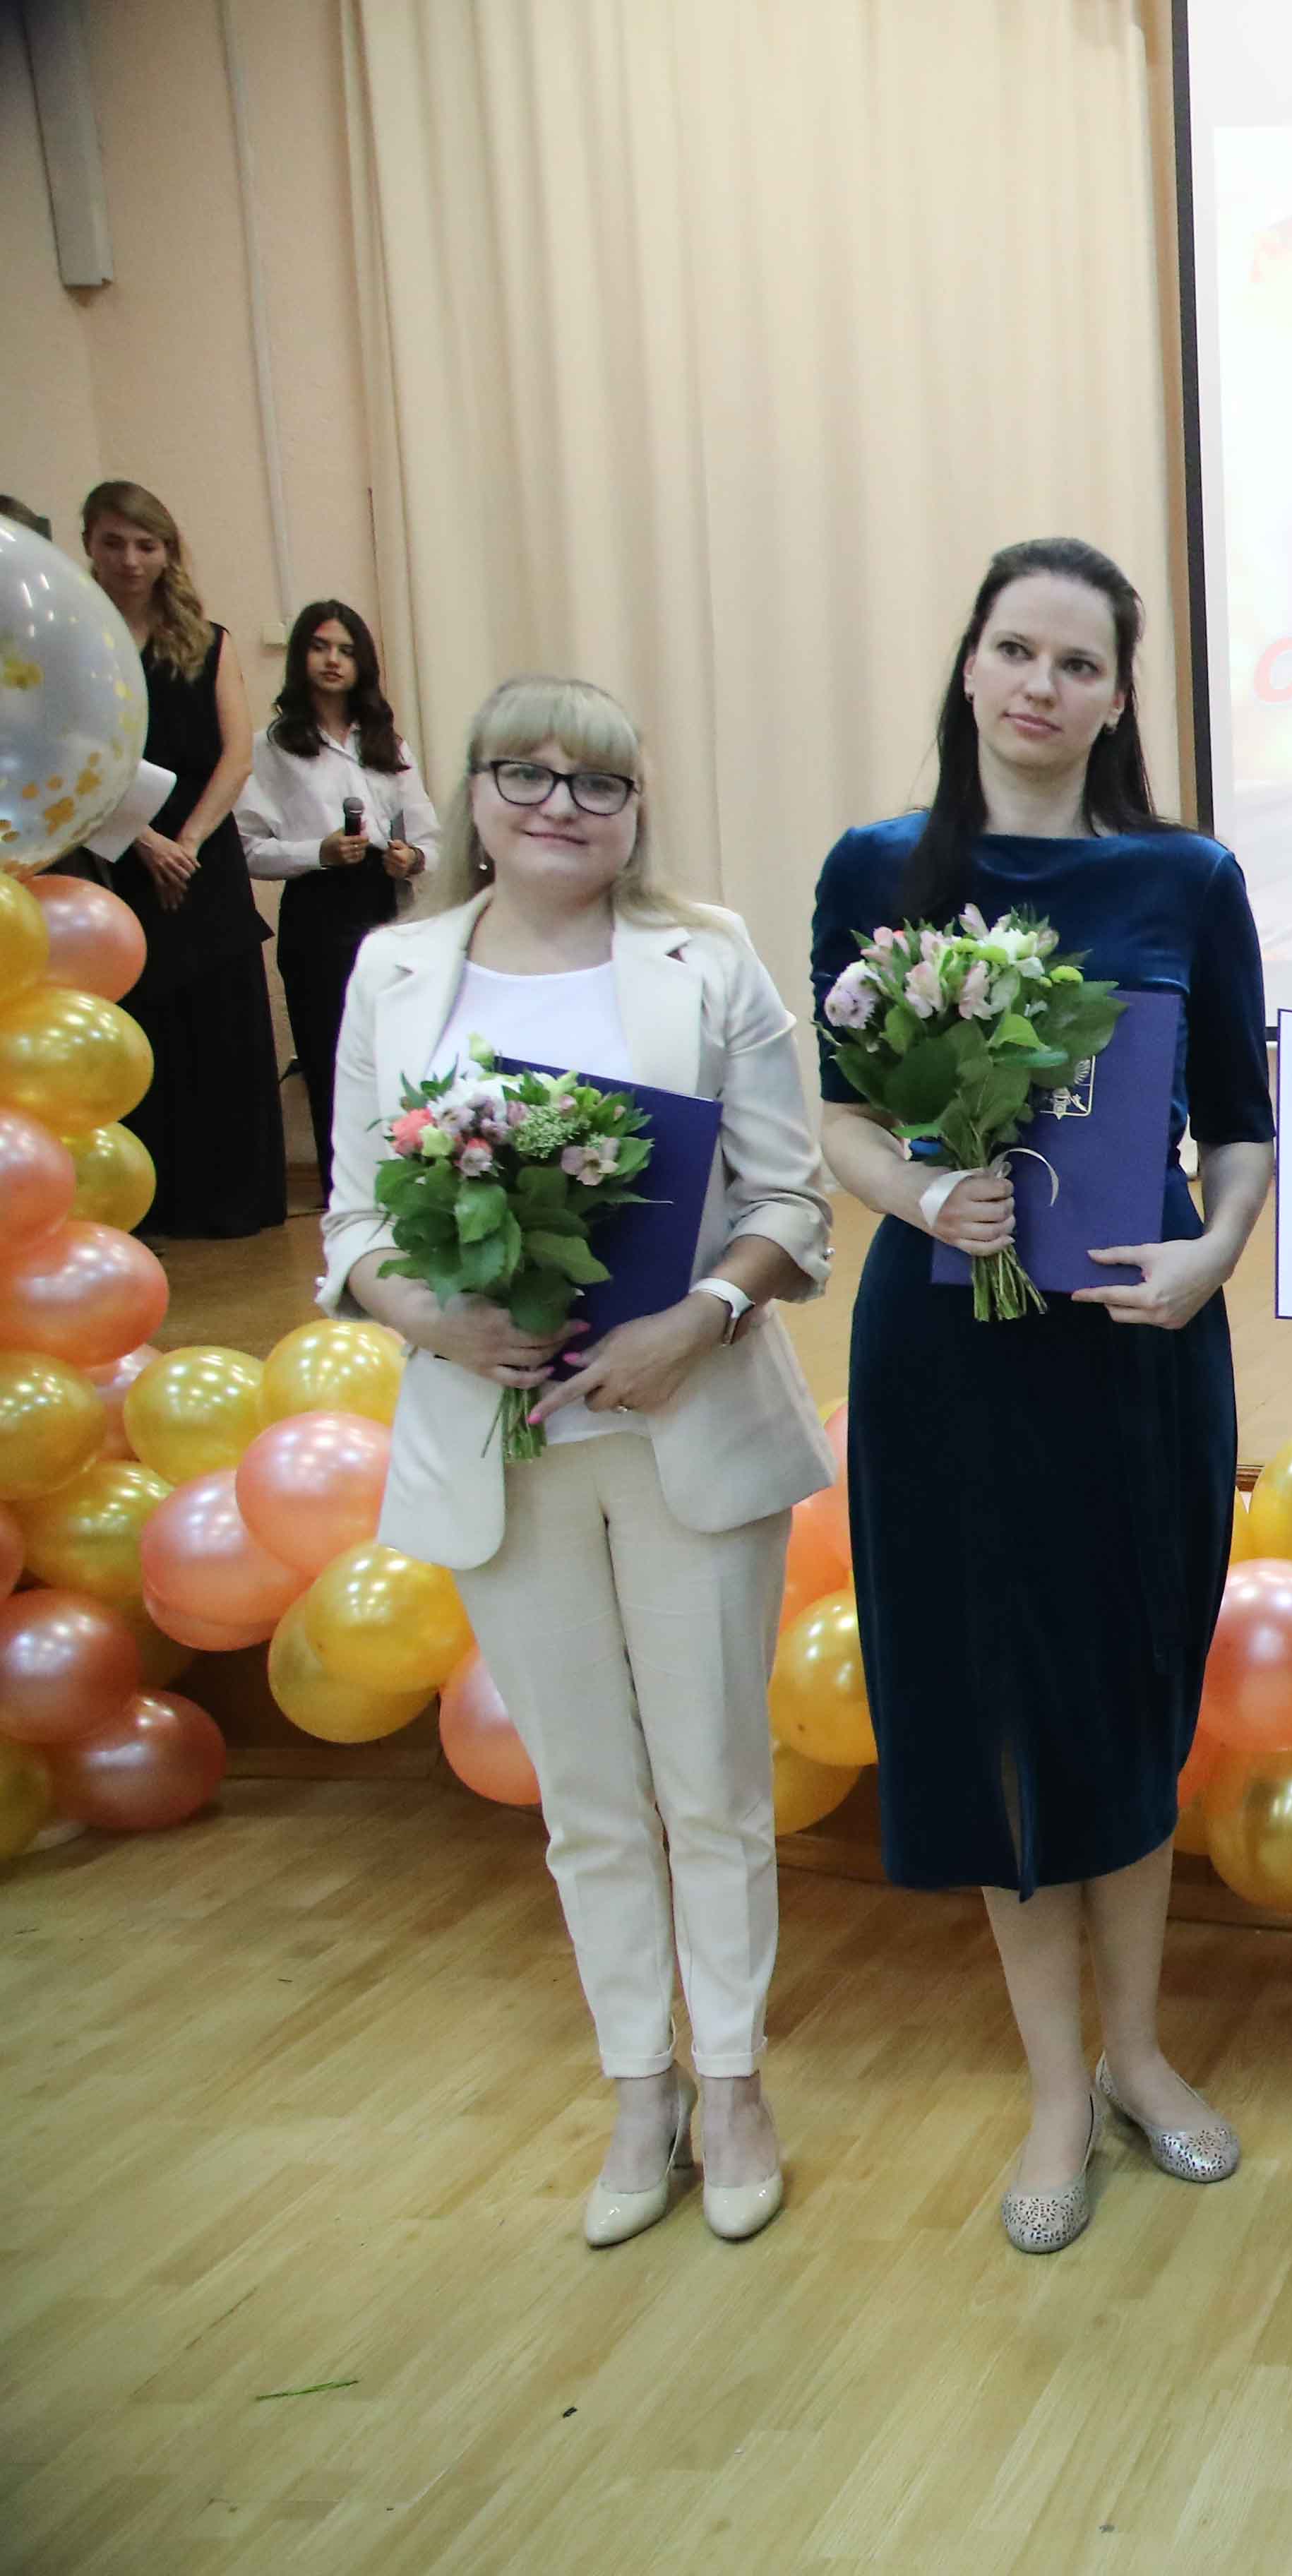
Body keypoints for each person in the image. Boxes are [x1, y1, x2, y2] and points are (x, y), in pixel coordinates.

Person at [316, 674, 832, 2246]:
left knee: (713, 1787)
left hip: (685, 1426)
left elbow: (791, 1202)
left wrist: (699, 1318)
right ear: (471, 795)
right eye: (526, 774)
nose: (561, 805)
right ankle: (637, 2087)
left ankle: (734, 2082)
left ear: (634, 812)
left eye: (598, 783)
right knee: (591, 1801)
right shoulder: (397, 968)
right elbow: (352, 1221)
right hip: (501, 1439)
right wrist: (430, 1315)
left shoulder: (706, 955)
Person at [813, 537, 1276, 2256]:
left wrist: (1214, 1252)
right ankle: (1055, 2090)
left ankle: (1142, 2054)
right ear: (970, 664)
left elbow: (1238, 1122)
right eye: (1015, 649)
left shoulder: (1186, 875)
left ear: (1117, 697)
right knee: (997, 1703)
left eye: (1078, 663)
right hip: (946, 1348)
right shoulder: (877, 867)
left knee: (1127, 1696)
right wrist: (927, 1194)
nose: (1040, 684)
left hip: (1135, 1338)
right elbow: (843, 1110)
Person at [76, 481, 285, 1237]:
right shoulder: (74, 640)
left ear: (168, 552)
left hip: (204, 850)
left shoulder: (211, 641)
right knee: (143, 1024)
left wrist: (189, 842)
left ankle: (231, 1201)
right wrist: (145, 839)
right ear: (89, 546)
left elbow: (236, 757)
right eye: (113, 543)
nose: (131, 560)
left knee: (220, 1022)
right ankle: (149, 1202)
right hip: (114, 849)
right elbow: (71, 757)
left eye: (147, 545)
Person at [240, 600, 437, 1167]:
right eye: (320, 647)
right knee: (330, 1058)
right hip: (318, 908)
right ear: (300, 656)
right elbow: (247, 849)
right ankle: (343, 1194)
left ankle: (408, 1186)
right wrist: (316, 853)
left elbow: (433, 836)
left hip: (385, 904)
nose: (333, 660)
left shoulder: (387, 744)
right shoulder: (271, 746)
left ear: (362, 663)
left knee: (396, 1057)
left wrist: (412, 857)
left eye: (347, 651)